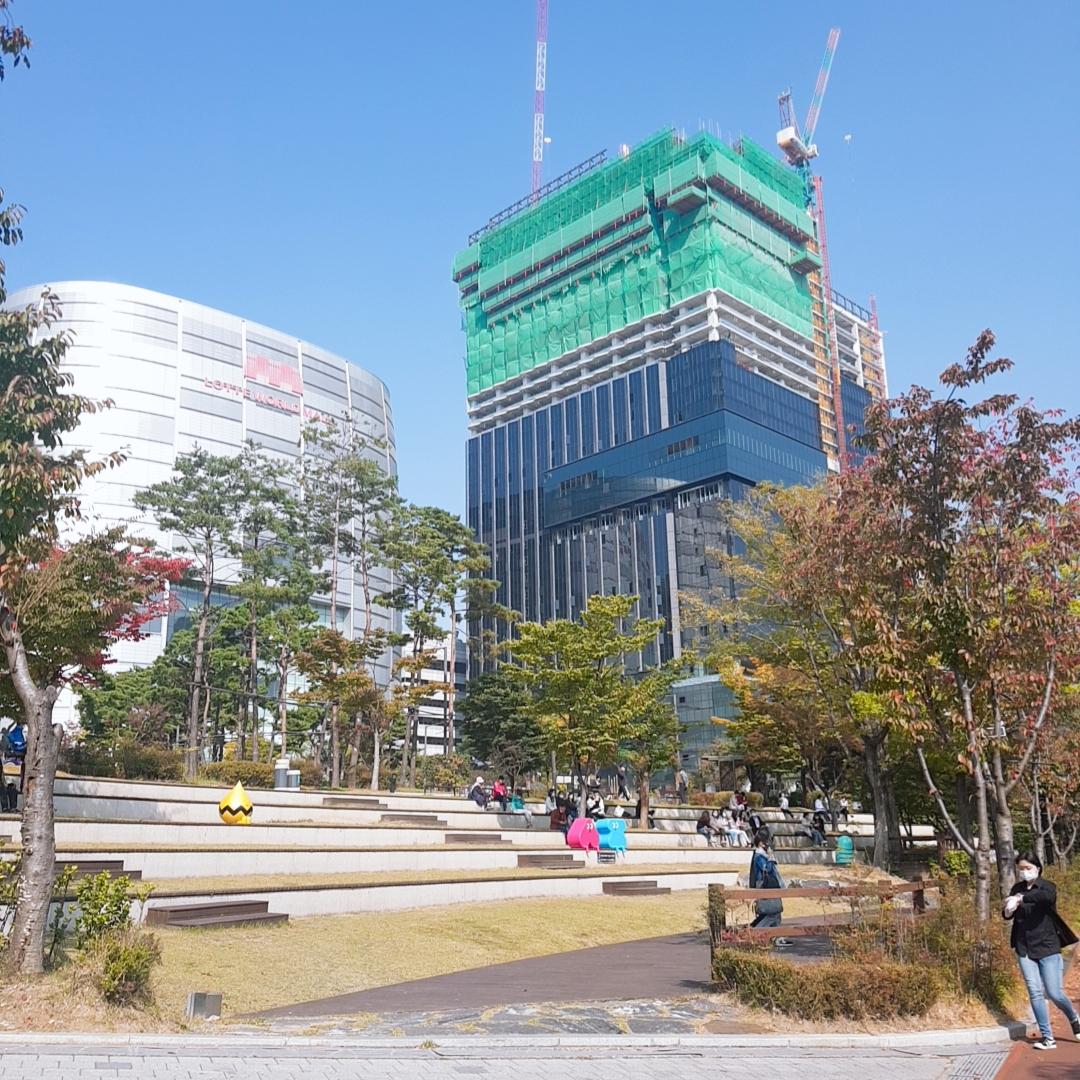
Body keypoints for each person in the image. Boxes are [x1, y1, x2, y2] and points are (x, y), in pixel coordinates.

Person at [1003, 852, 1080, 1051]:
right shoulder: (1016, 888)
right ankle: (1048, 1037)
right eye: (1021, 869)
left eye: (1028, 868)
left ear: (1038, 868)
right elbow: (1008, 914)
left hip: (1047, 945)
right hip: (1024, 946)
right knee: (1035, 992)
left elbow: (1045, 898)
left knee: (1054, 992)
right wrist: (1008, 909)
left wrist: (1020, 898)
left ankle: (1074, 1018)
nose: (1024, 872)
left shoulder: (1047, 887)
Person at [749, 830, 791, 946]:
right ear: (761, 843)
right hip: (765, 887)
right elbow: (766, 869)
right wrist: (771, 859)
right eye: (766, 842)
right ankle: (755, 933)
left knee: (775, 913)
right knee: (771, 913)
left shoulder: (762, 854)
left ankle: (777, 937)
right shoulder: (759, 856)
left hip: (770, 886)